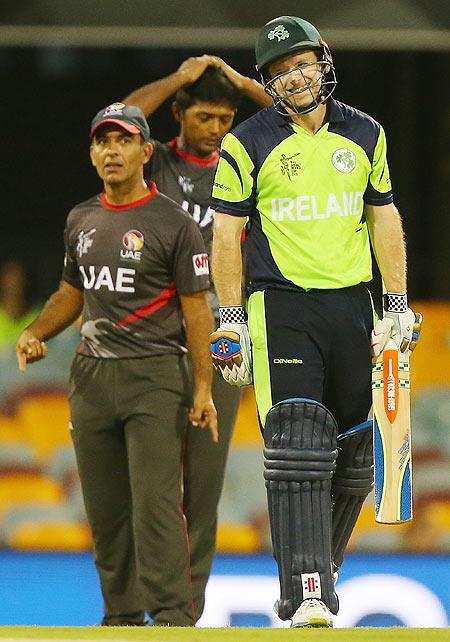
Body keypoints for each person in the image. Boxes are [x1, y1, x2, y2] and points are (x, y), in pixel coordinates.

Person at [210, 16, 420, 628]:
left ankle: (316, 575)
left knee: (356, 452)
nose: (295, 78)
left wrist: (398, 303)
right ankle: (308, 591)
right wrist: (230, 316)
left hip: (355, 304)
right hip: (282, 306)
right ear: (268, 82)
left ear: (323, 61)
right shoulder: (245, 142)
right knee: (298, 439)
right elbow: (226, 233)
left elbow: (383, 216)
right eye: (280, 71)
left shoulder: (366, 133)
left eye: (302, 64)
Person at [16, 102, 217, 627]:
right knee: (105, 512)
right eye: (102, 141)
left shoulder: (174, 223)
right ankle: (122, 618)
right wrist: (36, 331)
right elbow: (70, 293)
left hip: (155, 375)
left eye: (123, 141)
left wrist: (202, 387)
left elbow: (197, 309)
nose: (111, 150)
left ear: (146, 152)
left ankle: (173, 618)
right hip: (91, 378)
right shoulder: (80, 218)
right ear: (91, 153)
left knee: (155, 507)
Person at [123, 56, 271, 617]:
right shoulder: (153, 162)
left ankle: (184, 614)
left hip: (224, 340)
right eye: (204, 116)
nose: (215, 129)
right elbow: (124, 116)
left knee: (203, 492)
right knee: (153, 491)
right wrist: (179, 80)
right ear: (180, 113)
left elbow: (299, 119)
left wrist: (241, 83)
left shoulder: (243, 168)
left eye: (225, 118)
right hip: (156, 341)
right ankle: (135, 606)